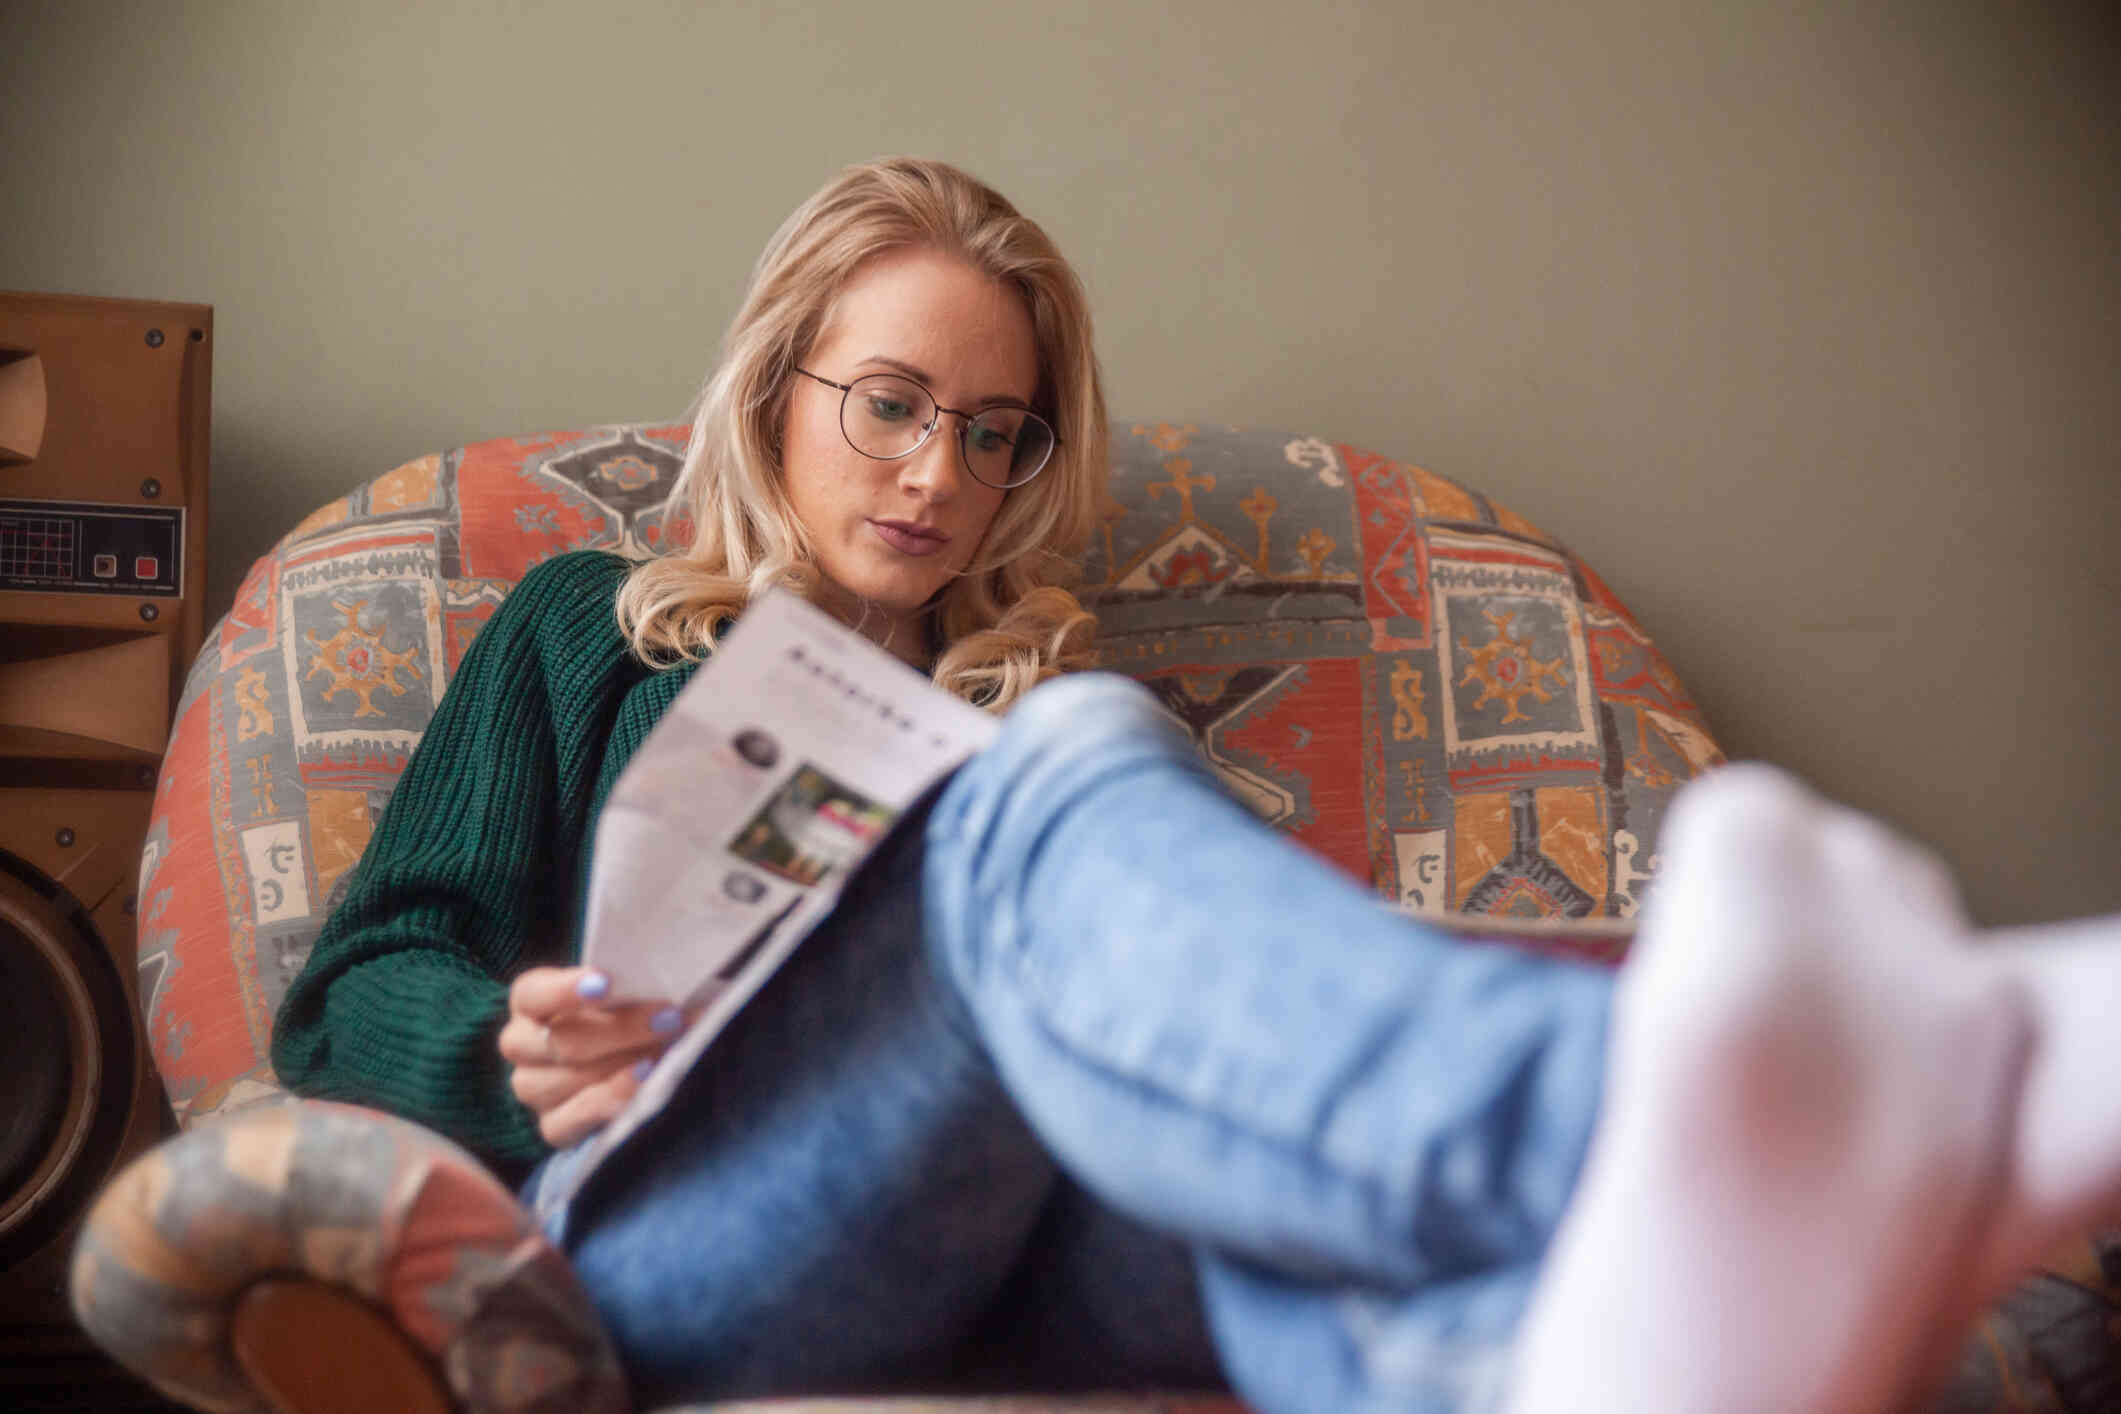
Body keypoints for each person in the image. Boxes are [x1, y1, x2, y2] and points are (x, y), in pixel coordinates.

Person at [273, 157, 2121, 1414]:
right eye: (893, 402)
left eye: (992, 434)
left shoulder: (1027, 697)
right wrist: (511, 1047)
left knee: (1258, 1181)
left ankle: (1625, 1339)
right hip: (688, 1229)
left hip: (1019, 1223)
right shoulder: (588, 628)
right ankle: (1667, 1114)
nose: (938, 472)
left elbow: (1212, 1032)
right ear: (775, 391)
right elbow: (349, 989)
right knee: (1073, 751)